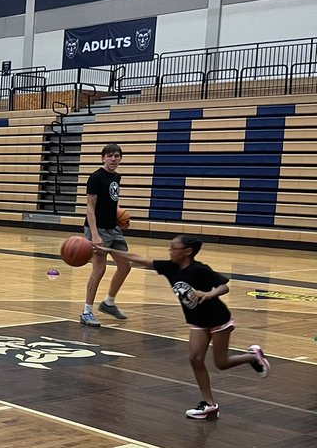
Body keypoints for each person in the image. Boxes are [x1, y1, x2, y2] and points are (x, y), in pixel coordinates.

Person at [101, 234, 269, 420]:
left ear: (187, 252)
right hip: (197, 321)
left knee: (221, 364)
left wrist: (209, 294)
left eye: (174, 248)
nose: (170, 251)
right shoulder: (169, 268)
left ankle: (252, 357)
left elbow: (224, 286)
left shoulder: (200, 270)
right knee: (195, 359)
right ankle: (210, 405)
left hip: (218, 320)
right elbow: (139, 259)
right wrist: (109, 251)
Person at [81, 143, 130, 326]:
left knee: (125, 266)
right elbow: (90, 208)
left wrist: (120, 217)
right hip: (98, 229)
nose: (113, 159)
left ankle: (109, 302)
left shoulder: (116, 176)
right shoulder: (96, 177)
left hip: (113, 228)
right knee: (99, 269)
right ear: (103, 158)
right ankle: (86, 311)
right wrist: (94, 234)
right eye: (109, 155)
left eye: (117, 156)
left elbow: (112, 201)